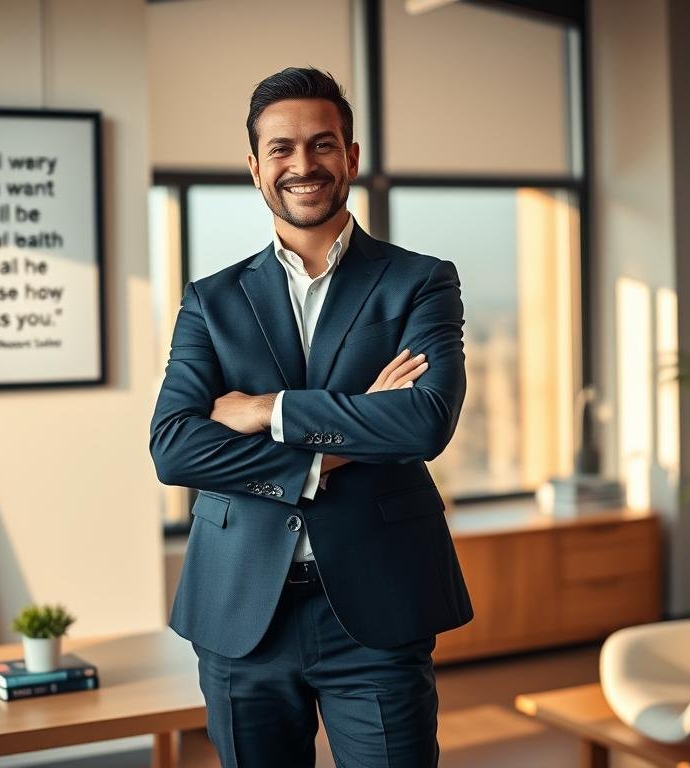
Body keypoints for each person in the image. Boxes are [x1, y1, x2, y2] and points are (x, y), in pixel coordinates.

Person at [150, 66, 472, 768]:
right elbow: (175, 448)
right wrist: (332, 452)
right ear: (255, 167)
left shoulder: (420, 281)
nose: (304, 164)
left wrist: (266, 409)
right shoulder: (211, 301)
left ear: (351, 157)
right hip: (240, 611)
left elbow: (423, 422)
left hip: (377, 611)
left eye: (323, 145)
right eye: (282, 149)